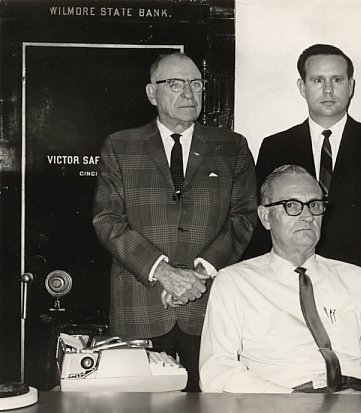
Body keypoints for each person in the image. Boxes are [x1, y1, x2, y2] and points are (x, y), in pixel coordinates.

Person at [93, 51, 257, 392]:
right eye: (175, 84)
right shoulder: (120, 146)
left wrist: (198, 275)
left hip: (208, 307)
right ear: (152, 93)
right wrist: (164, 273)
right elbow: (107, 219)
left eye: (196, 84)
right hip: (139, 310)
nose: (188, 93)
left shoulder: (233, 146)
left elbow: (243, 219)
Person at [199, 165, 361, 394]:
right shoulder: (235, 282)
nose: (307, 216)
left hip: (358, 401)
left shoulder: (356, 278)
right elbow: (216, 370)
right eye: (292, 205)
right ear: (265, 216)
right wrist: (295, 402)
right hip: (280, 403)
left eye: (315, 205)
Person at [244, 44, 361, 316]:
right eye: (317, 80)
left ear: (351, 86)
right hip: (290, 292)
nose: (328, 90)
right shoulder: (275, 146)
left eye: (337, 79)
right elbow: (264, 227)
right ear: (302, 86)